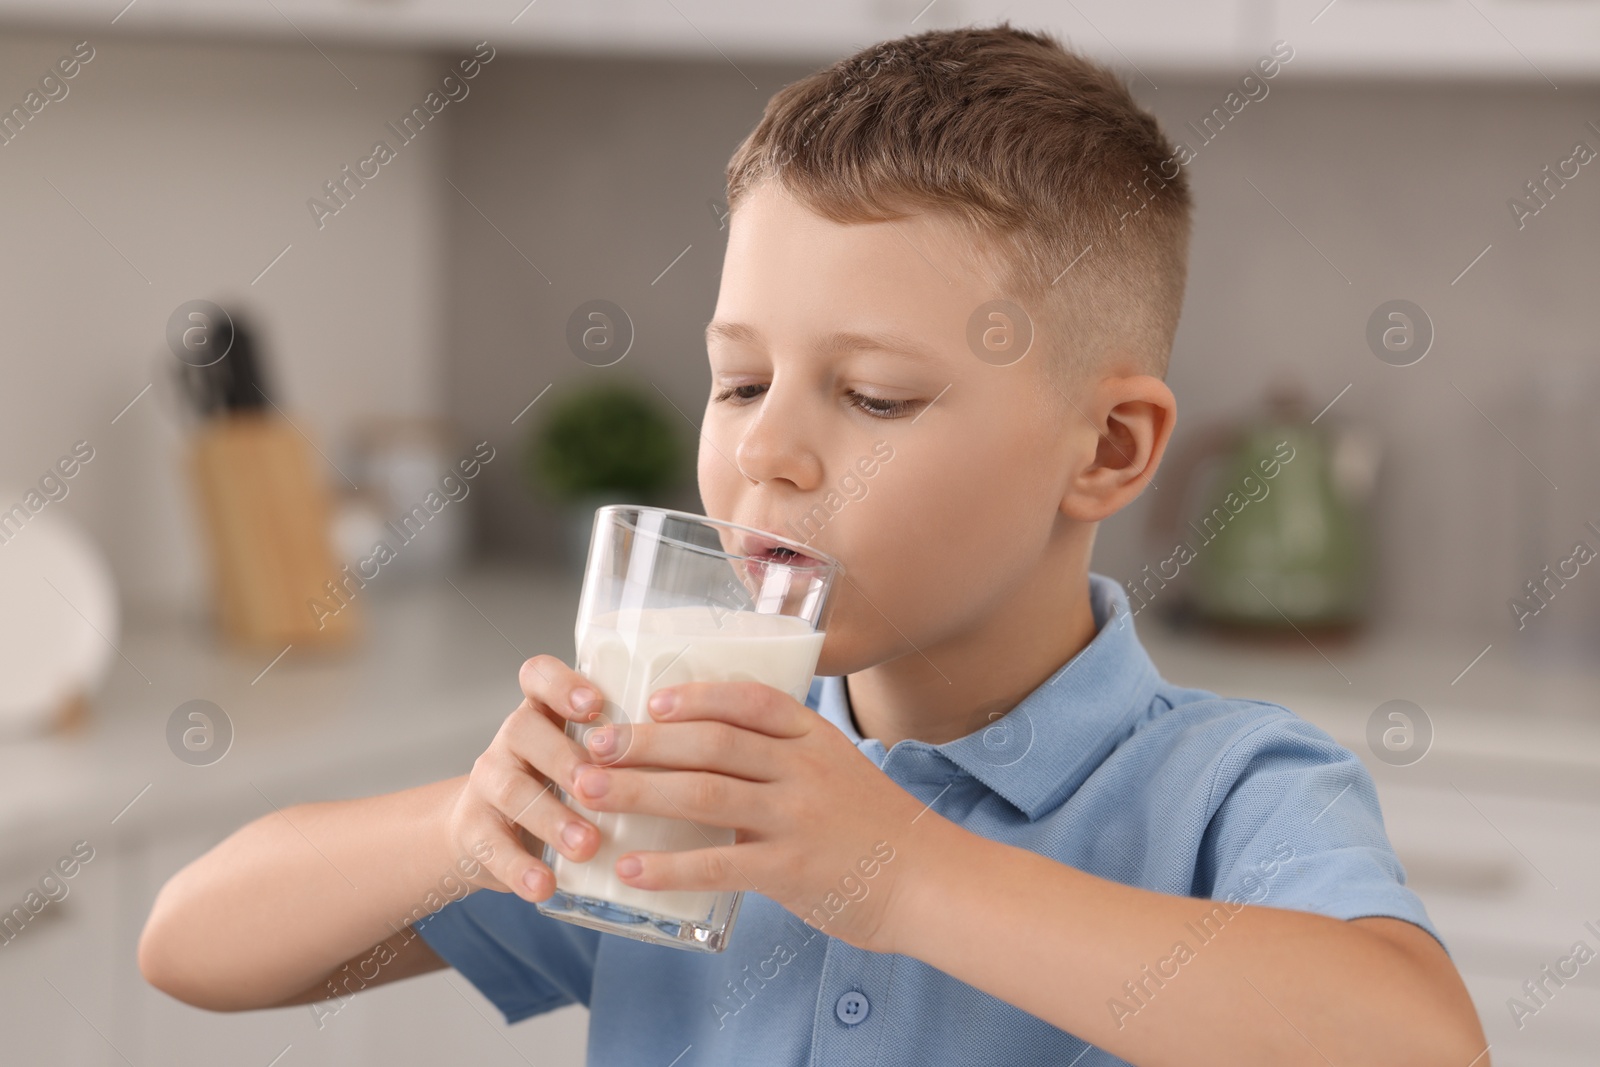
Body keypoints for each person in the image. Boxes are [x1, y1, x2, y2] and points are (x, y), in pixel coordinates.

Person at [139, 23, 1489, 1066]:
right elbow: (190, 944)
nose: (765, 453)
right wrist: (462, 823)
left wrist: (897, 874)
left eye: (876, 397)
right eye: (738, 382)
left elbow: (1415, 1044)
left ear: (1111, 452)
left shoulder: (1225, 792)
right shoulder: (692, 772)